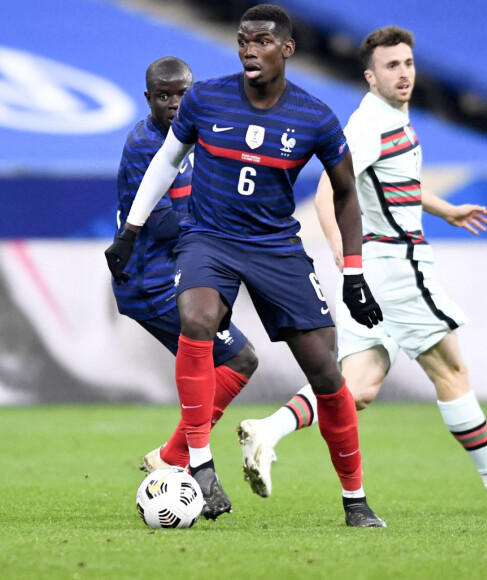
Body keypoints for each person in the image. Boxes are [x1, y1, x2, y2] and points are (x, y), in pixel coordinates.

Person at [237, 25, 487, 508]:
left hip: (379, 266)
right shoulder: (371, 126)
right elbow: (328, 189)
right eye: (391, 66)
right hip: (397, 263)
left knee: (358, 385)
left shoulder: (390, 121)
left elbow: (394, 182)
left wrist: (446, 210)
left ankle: (268, 430)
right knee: (451, 368)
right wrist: (344, 250)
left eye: (407, 63)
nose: (403, 73)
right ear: (370, 76)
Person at [105, 5, 386, 528]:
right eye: (242, 41)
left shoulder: (315, 117)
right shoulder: (207, 97)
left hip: (275, 247)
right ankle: (199, 462)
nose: (249, 50)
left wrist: (353, 272)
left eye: (261, 41)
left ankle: (356, 500)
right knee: (197, 321)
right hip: (208, 238)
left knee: (327, 372)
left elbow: (347, 194)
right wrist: (131, 229)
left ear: (287, 49)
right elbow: (168, 159)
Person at [110, 56, 259, 483]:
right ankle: (178, 458)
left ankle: (173, 456)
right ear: (148, 99)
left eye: (182, 94)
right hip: (150, 282)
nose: (175, 103)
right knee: (238, 360)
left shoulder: (196, 133)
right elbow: (158, 224)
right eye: (163, 96)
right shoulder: (145, 144)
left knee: (235, 362)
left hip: (178, 276)